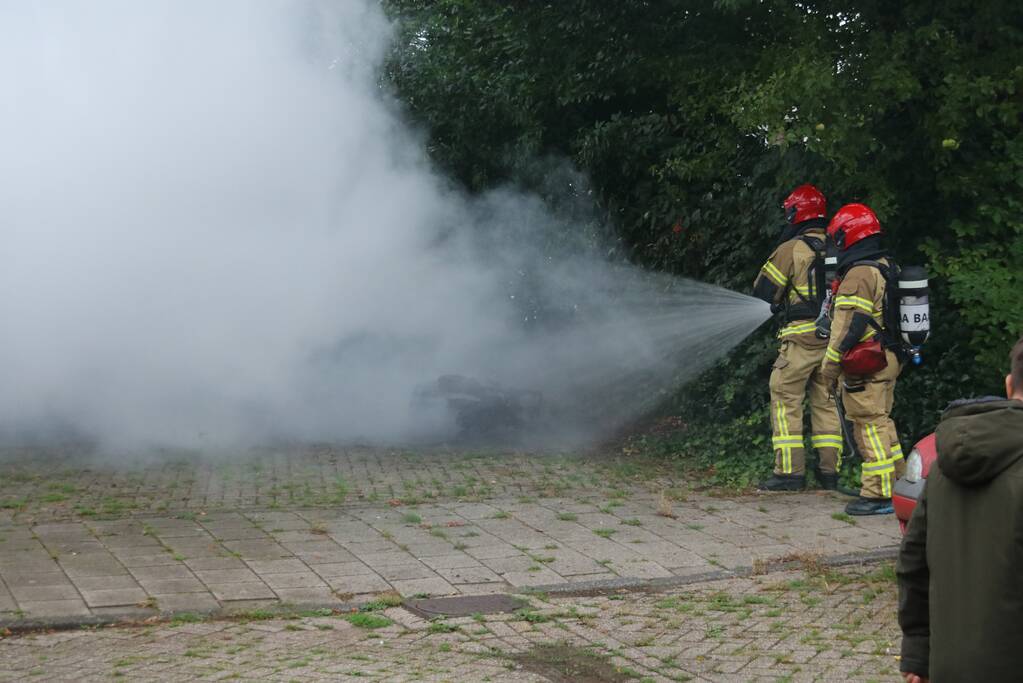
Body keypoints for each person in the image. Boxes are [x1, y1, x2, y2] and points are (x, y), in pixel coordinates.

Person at [897, 336, 1023, 682]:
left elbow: (913, 561)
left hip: (950, 666)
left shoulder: (941, 465)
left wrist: (918, 654)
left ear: (1009, 384)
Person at [753, 184, 843, 491]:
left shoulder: (791, 249)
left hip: (800, 340)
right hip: (834, 339)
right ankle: (829, 474)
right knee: (827, 402)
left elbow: (764, 292)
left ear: (795, 214)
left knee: (785, 397)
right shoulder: (839, 247)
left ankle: (789, 474)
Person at [819, 203, 905, 514]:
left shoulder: (858, 274)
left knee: (868, 425)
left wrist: (829, 368)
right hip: (890, 358)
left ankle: (877, 494)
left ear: (847, 236)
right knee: (883, 422)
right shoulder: (885, 265)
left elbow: (847, 327)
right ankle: (900, 484)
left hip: (866, 363)